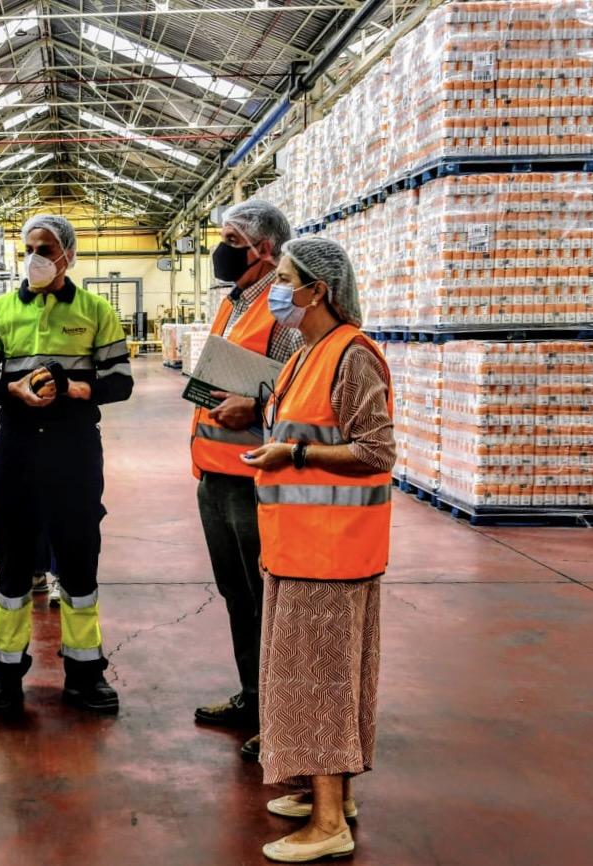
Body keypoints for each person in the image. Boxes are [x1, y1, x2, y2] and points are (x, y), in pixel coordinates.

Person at [240, 237, 394, 863]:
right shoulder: (307, 352)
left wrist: (294, 454)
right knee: (311, 677)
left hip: (332, 554)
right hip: (299, 546)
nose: (276, 290)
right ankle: (331, 795)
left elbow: (376, 451)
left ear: (317, 290)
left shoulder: (352, 355)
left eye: (283, 278)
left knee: (322, 681)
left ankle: (329, 824)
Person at [0, 214, 133, 716]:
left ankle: (85, 673)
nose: (37, 255)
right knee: (13, 559)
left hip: (74, 447)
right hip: (17, 446)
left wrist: (74, 390)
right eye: (31, 246)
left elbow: (120, 381)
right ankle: (5, 672)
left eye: (47, 247)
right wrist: (12, 390)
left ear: (69, 256)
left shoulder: (95, 310)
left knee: (79, 557)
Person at [190, 201, 302, 761]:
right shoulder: (234, 303)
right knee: (237, 594)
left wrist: (257, 405)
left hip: (254, 477)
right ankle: (254, 696)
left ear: (264, 248)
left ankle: (279, 715)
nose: (221, 247)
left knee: (265, 599)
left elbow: (303, 388)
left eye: (232, 238)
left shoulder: (280, 309)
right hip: (214, 475)